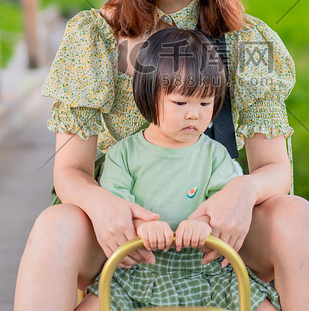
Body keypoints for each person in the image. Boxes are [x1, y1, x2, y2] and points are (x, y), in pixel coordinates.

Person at [14, 0, 309, 310]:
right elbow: (69, 170)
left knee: (298, 216)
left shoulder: (248, 39)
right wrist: (105, 205)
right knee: (55, 226)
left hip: (212, 226)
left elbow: (275, 170)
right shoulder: (92, 36)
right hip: (123, 226)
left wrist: (239, 192)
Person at [78, 27, 280, 310]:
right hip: (138, 270)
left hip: (207, 270)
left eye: (205, 102)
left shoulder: (215, 156)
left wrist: (204, 224)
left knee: (260, 304)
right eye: (180, 102)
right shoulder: (123, 155)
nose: (193, 114)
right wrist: (140, 226)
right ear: (149, 96)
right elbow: (116, 205)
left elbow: (226, 204)